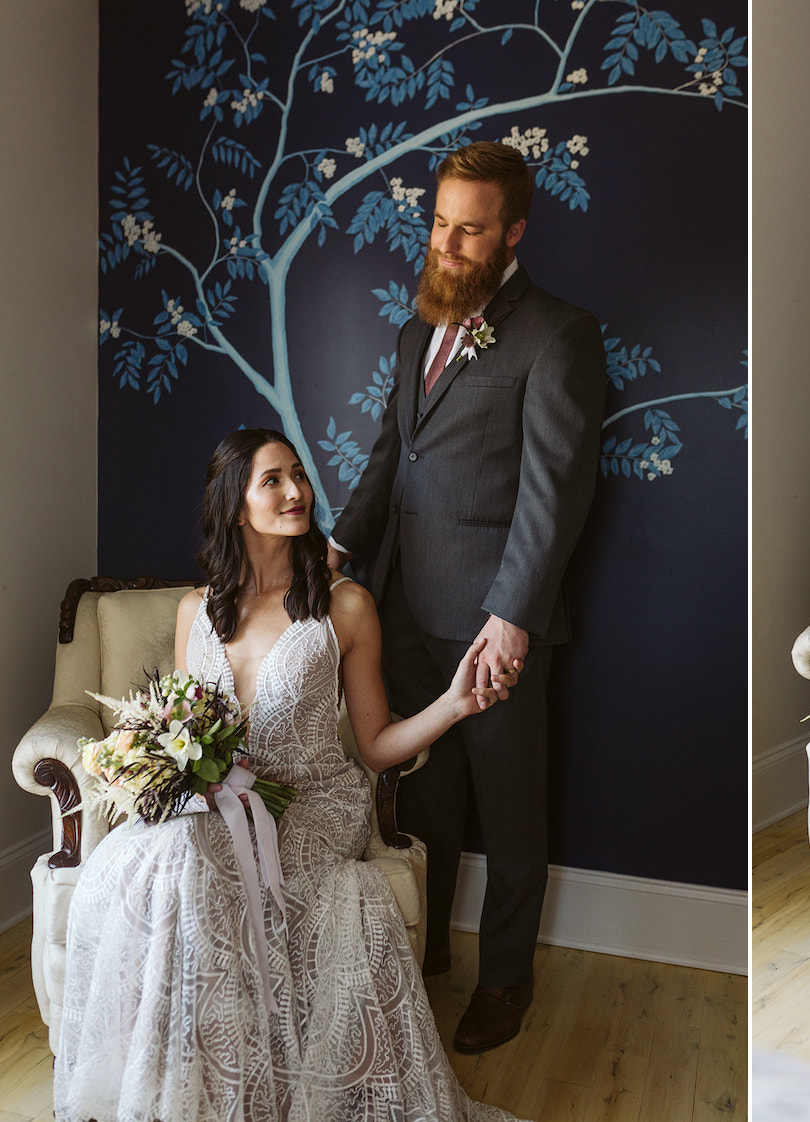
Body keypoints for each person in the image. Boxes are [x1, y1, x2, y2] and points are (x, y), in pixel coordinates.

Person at [55, 430, 526, 1121]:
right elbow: (189, 729)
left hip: (313, 804)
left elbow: (374, 747)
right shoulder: (196, 610)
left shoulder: (345, 606)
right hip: (218, 806)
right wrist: (166, 770)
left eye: (299, 477)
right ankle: (190, 1087)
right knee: (154, 858)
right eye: (272, 480)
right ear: (236, 504)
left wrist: (455, 704)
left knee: (188, 859)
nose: (296, 492)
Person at [328, 140, 607, 1052]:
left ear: (513, 231)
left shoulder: (557, 332)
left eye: (470, 231)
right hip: (400, 609)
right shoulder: (417, 327)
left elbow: (555, 490)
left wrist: (513, 616)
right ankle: (428, 956)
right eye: (440, 224)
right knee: (427, 807)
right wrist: (336, 549)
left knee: (513, 805)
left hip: (493, 622)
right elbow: (389, 460)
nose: (447, 245)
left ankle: (505, 982)